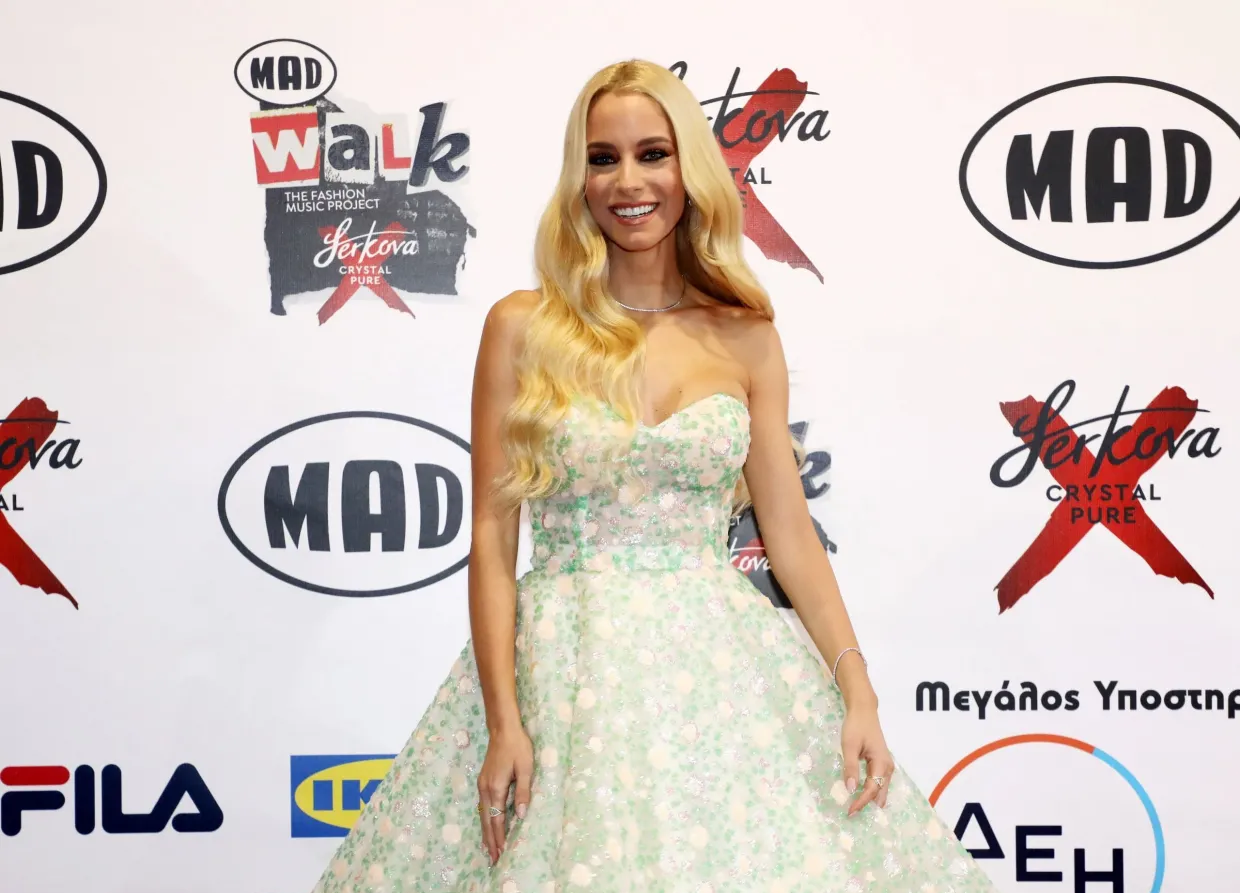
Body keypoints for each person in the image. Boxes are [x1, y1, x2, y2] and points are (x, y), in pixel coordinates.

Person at [311, 59, 998, 892]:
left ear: (690, 170)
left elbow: (788, 533)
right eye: (602, 158)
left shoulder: (746, 335)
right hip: (566, 673)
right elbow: (492, 537)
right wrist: (504, 720)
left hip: (718, 677)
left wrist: (858, 691)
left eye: (652, 154)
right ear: (578, 178)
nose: (628, 181)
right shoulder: (522, 327)